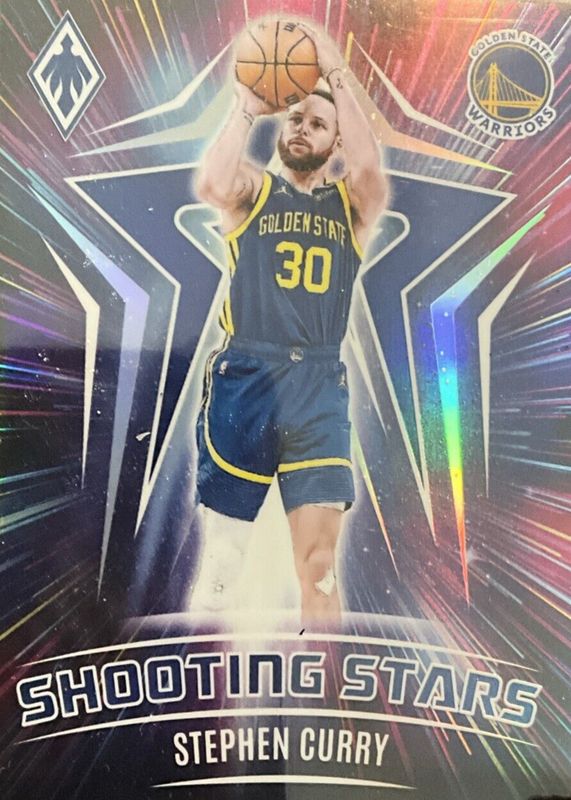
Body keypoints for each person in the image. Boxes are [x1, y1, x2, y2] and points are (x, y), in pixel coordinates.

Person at [191, 23, 388, 626]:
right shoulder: (254, 191)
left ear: (336, 141)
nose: (302, 128)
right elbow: (212, 183)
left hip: (318, 384)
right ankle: (201, 676)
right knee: (223, 564)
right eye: (295, 118)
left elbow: (371, 171)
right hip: (248, 373)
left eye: (318, 124)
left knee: (321, 566)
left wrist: (334, 73)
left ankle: (326, 674)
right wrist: (247, 107)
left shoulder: (351, 207)